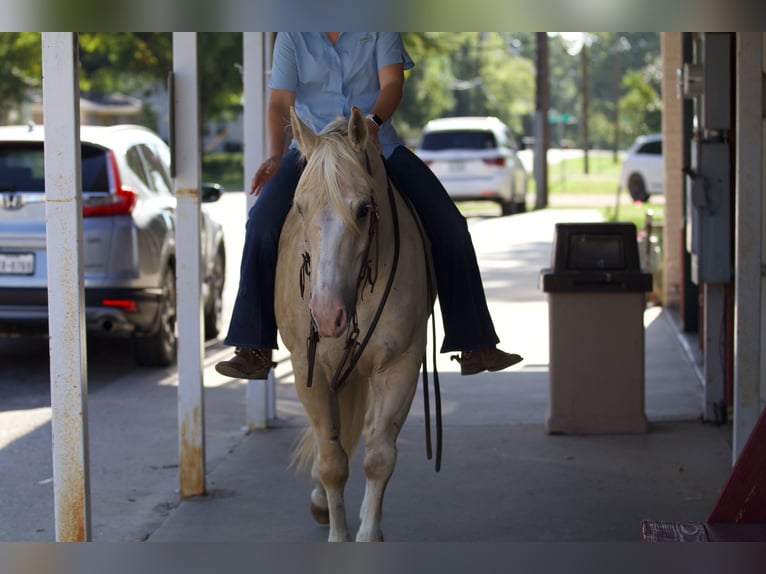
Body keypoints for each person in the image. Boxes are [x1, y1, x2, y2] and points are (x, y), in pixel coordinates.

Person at [215, 32, 522, 380]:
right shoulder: (293, 32)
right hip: (313, 152)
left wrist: (373, 122)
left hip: (374, 144)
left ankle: (473, 340)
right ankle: (254, 346)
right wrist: (274, 153)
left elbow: (392, 83)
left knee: (450, 225)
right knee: (261, 224)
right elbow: (280, 100)